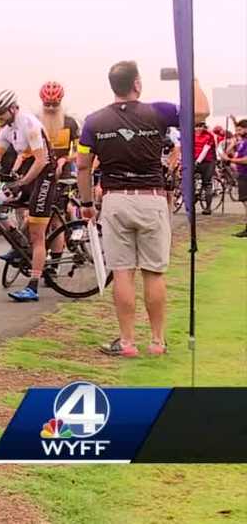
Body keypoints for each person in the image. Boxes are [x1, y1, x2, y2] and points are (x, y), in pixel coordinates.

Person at [77, 60, 209, 357]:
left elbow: (83, 165)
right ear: (136, 83)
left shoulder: (94, 121)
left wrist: (86, 204)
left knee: (122, 272)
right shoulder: (158, 112)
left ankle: (126, 342)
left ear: (113, 86)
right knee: (154, 272)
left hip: (115, 200)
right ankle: (157, 341)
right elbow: (200, 112)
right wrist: (193, 78)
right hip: (151, 198)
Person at [0, 89, 53, 303]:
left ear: (13, 108)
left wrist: (22, 182)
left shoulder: (28, 123)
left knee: (37, 234)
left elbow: (41, 160)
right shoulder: (7, 128)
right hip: (27, 174)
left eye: (1, 113)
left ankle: (33, 287)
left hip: (44, 176)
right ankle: (19, 245)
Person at [37, 82, 80, 179]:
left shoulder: (70, 123)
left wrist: (66, 159)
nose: (51, 108)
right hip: (38, 170)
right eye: (47, 104)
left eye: (55, 104)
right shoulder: (35, 123)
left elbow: (80, 152)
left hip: (63, 170)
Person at [193, 121, 217, 215]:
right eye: (196, 126)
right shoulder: (191, 135)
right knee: (189, 181)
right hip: (194, 160)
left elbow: (205, 150)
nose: (198, 129)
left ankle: (208, 208)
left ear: (204, 127)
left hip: (207, 161)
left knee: (207, 184)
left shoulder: (209, 136)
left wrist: (197, 162)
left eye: (200, 127)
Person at [228, 119, 247, 238]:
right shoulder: (242, 142)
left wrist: (231, 160)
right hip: (242, 174)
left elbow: (245, 160)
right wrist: (232, 144)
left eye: (239, 129)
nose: (237, 132)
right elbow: (229, 152)